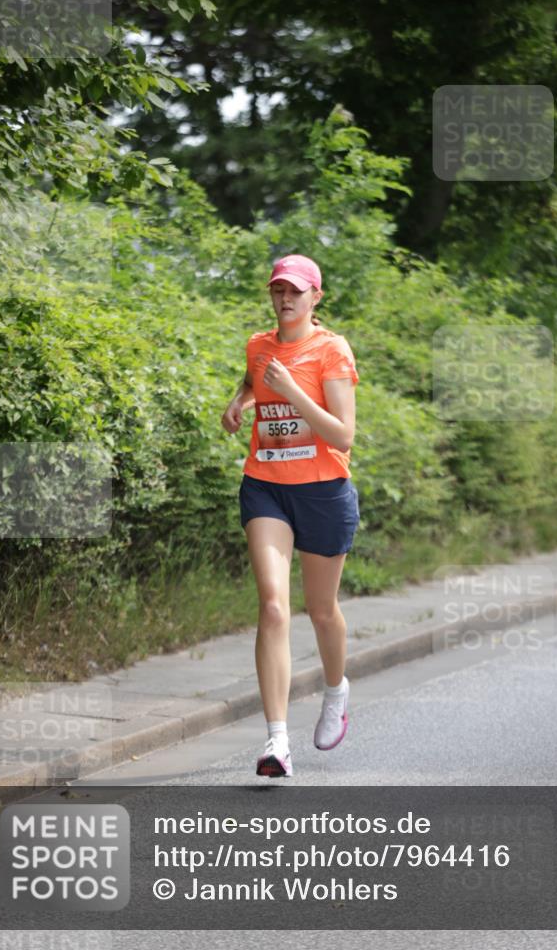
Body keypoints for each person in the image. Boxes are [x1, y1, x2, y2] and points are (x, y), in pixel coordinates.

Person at [220, 253, 360, 778]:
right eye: (278, 290)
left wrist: (292, 391)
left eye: (296, 292)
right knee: (274, 607)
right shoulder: (259, 345)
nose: (285, 299)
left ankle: (335, 691)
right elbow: (254, 377)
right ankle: (277, 741)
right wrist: (239, 400)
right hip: (267, 489)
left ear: (315, 297)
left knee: (321, 610)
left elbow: (342, 435)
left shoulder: (331, 350)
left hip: (323, 492)